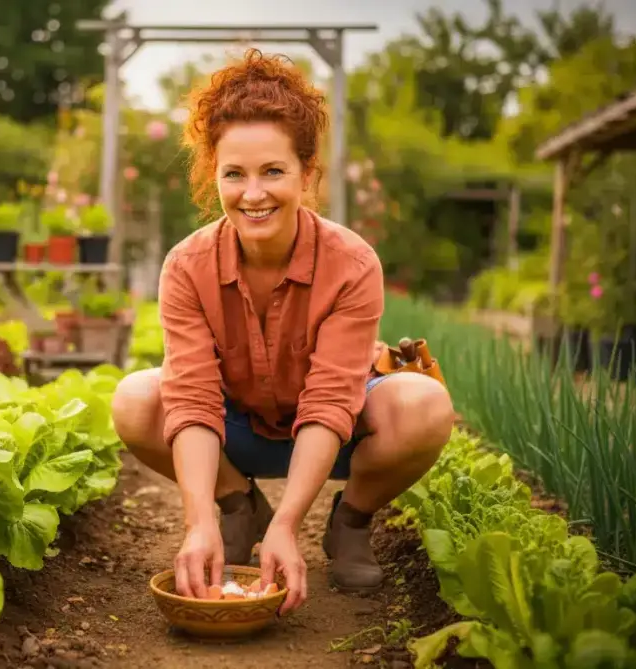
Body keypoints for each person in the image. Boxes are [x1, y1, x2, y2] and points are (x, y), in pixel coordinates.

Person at [110, 49, 455, 616]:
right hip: (237, 428)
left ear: (307, 173)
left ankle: (350, 522)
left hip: (336, 433)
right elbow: (192, 399)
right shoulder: (187, 266)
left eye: (273, 171)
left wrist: (290, 525)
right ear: (213, 175)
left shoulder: (352, 264)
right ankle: (238, 507)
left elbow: (330, 401)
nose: (253, 194)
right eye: (234, 174)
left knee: (424, 405)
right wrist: (197, 523)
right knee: (137, 399)